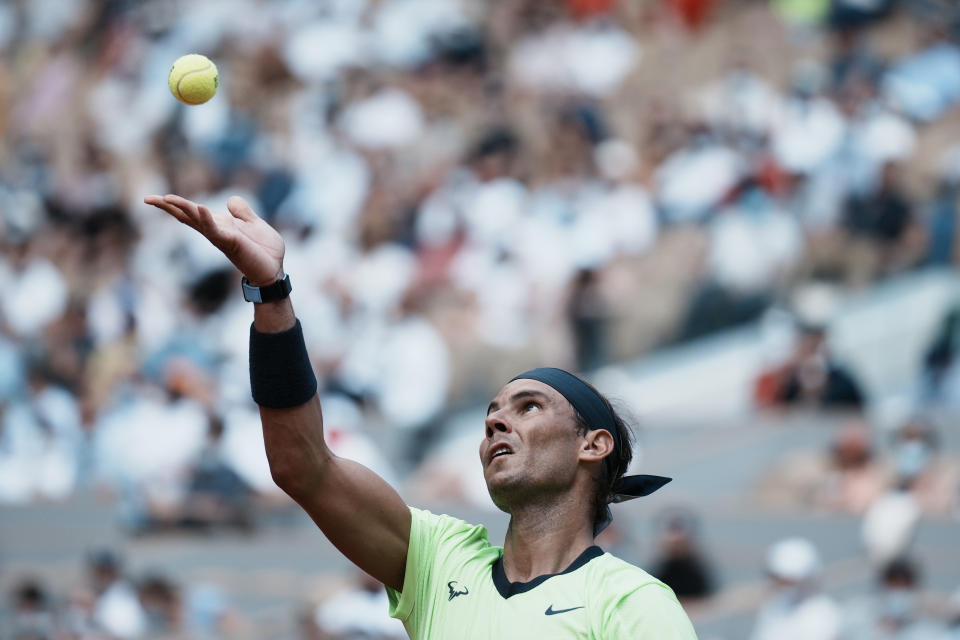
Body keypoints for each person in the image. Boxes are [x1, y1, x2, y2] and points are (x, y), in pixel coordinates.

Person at [144, 193, 697, 639]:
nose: (496, 423)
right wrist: (270, 292)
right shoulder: (439, 561)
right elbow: (300, 466)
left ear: (592, 446)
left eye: (529, 407)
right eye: (491, 412)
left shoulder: (633, 602)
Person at [750, 537, 841, 640]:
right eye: (775, 578)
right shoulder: (775, 606)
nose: (777, 584)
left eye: (786, 581)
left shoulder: (821, 614)